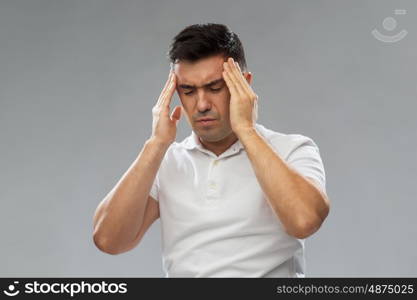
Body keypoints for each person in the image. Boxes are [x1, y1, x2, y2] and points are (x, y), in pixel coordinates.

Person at [93, 23, 330, 277]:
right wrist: (156, 145)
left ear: (244, 86)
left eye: (215, 88)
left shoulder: (292, 149)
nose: (202, 104)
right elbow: (109, 240)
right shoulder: (166, 162)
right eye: (188, 91)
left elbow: (304, 221)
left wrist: (247, 131)